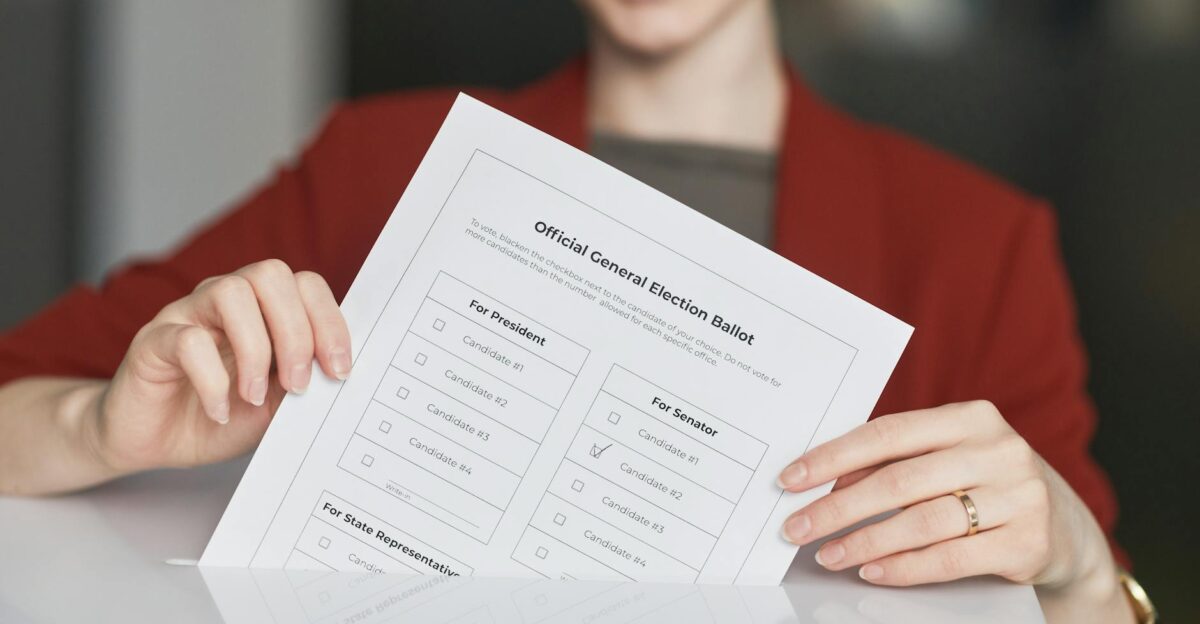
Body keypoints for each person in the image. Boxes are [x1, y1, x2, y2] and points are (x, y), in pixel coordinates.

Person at [0, 1, 1146, 621]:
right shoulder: (377, 162)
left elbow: (1077, 600)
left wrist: (1083, 569)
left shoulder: (976, 238)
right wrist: (97, 425)